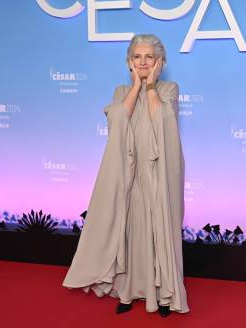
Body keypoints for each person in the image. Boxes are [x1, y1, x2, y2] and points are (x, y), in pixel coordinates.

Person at [62, 34, 189, 317]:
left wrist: (151, 85)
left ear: (159, 62)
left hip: (159, 173)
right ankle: (128, 291)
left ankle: (164, 295)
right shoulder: (121, 92)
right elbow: (118, 120)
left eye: (149, 57)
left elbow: (164, 122)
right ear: (129, 62)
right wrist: (136, 86)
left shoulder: (169, 89)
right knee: (130, 230)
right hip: (128, 174)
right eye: (137, 57)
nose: (143, 62)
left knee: (159, 230)